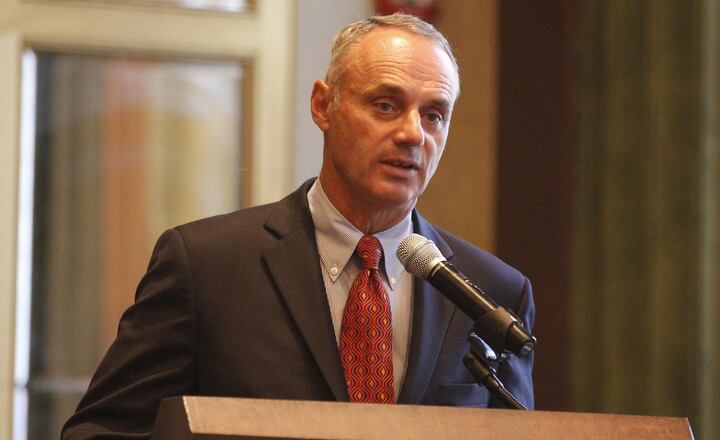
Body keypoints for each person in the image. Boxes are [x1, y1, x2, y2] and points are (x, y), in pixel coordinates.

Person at [61, 13, 535, 439]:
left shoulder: (493, 295)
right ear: (323, 106)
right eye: (386, 105)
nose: (413, 133)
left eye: (434, 114)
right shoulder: (205, 266)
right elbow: (99, 432)